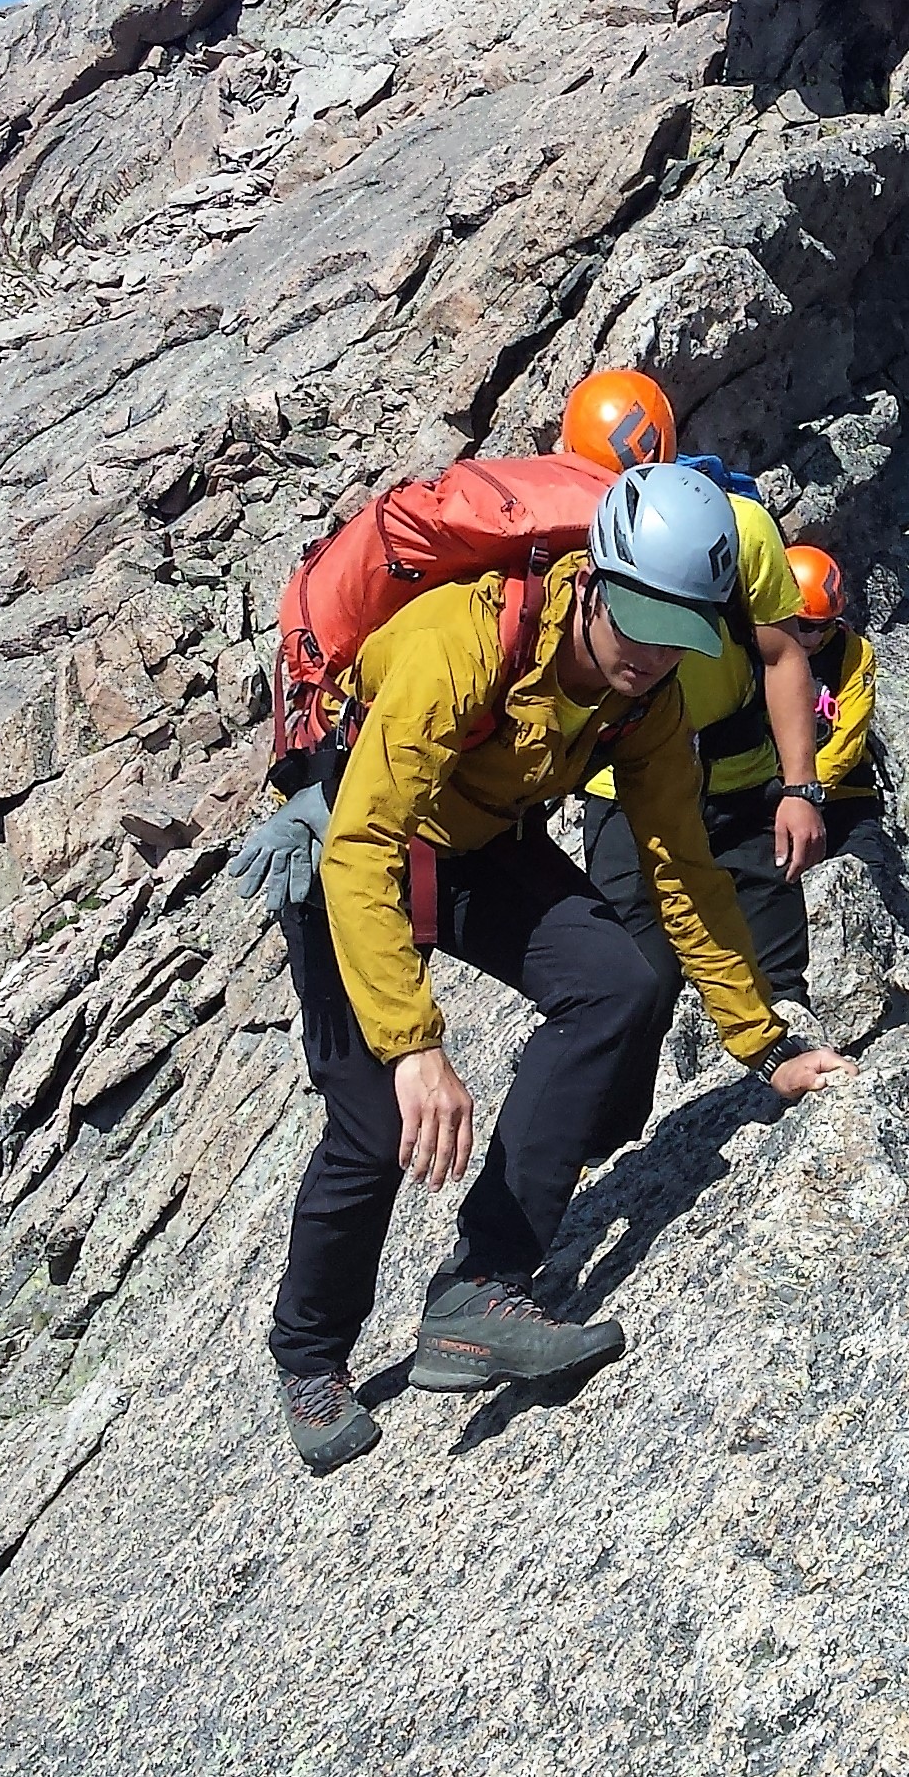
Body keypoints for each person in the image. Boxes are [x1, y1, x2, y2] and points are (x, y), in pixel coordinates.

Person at [234, 463, 850, 1476]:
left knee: (620, 983)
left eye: (681, 636)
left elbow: (679, 865)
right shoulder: (462, 643)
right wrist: (415, 1045)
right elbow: (361, 848)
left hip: (478, 847)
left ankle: (482, 1288)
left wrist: (763, 1042)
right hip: (352, 848)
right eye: (641, 622)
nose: (654, 658)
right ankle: (309, 1358)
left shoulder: (641, 702)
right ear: (594, 582)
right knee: (376, 1122)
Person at [580, 541, 879, 1046]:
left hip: (757, 784)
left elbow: (847, 730)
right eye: (803, 623)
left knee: (773, 949)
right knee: (637, 966)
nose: (810, 637)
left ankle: (787, 1041)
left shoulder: (847, 652)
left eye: (821, 626)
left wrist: (803, 789)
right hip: (640, 785)